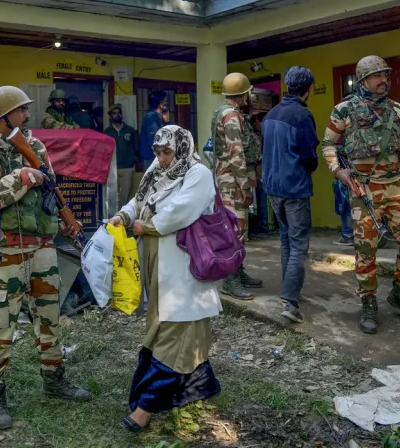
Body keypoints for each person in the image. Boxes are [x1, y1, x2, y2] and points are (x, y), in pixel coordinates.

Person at [0, 86, 90, 430]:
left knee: (49, 316)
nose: (26, 115)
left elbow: (51, 187)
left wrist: (64, 220)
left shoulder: (35, 146)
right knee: (0, 324)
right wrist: (22, 177)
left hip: (42, 248)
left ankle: (55, 380)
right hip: (6, 251)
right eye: (20, 111)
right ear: (2, 117)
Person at [109, 125, 222, 433]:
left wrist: (145, 226)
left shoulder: (197, 174)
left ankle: (144, 409)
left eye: (167, 152)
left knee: (176, 330)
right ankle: (199, 388)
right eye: (158, 152)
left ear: (182, 149)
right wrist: (124, 216)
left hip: (183, 266)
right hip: (157, 262)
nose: (162, 159)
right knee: (172, 327)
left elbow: (179, 212)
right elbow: (140, 200)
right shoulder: (157, 173)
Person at [321, 55, 400, 334]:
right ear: (363, 80)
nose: (384, 81)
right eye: (377, 76)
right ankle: (368, 300)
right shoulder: (344, 110)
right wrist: (337, 170)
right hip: (364, 187)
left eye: (385, 76)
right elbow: (328, 143)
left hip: (397, 184)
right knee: (366, 249)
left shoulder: (397, 110)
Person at [261, 66, 319, 322]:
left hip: (273, 187)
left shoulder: (271, 114)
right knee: (298, 245)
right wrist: (312, 166)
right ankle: (291, 303)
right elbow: (309, 155)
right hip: (294, 187)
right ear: (309, 89)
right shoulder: (302, 115)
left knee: (285, 240)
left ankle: (289, 292)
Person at [211, 72, 263, 300]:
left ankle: (238, 272)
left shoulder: (223, 112)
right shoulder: (232, 116)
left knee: (239, 229)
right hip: (232, 181)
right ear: (242, 95)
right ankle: (230, 280)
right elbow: (236, 153)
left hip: (229, 179)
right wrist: (244, 185)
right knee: (236, 231)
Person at [104, 103, 139, 206]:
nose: (117, 115)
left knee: (124, 196)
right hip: (112, 169)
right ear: (110, 116)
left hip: (127, 168)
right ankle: (112, 218)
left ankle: (122, 220)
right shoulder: (107, 132)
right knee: (112, 196)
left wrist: (133, 160)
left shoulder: (130, 130)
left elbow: (136, 147)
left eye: (119, 113)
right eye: (114, 113)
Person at [140, 91, 167, 171]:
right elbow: (153, 138)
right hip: (153, 159)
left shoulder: (155, 116)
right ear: (160, 104)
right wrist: (162, 155)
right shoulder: (152, 117)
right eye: (165, 101)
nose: (167, 104)